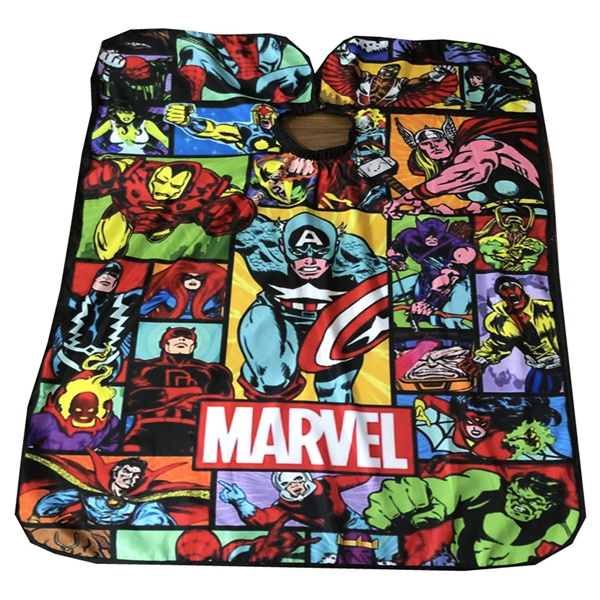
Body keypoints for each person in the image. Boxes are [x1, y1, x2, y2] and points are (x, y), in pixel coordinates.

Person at [235, 212, 388, 402]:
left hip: (332, 321)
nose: (309, 260)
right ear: (282, 245)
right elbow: (225, 219)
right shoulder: (261, 244)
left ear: (336, 246)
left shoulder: (355, 258)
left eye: (320, 252)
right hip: (277, 314)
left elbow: (391, 285)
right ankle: (264, 373)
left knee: (336, 393)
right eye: (299, 252)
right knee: (272, 381)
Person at [365, 469, 579, 568]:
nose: (520, 503)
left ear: (547, 506)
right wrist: (416, 496)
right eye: (516, 495)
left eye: (533, 502)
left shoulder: (563, 521)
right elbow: (449, 488)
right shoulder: (486, 486)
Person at [83, 156, 256, 260]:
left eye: (175, 186)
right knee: (106, 254)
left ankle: (158, 230)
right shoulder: (132, 171)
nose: (163, 191)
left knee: (158, 234)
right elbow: (110, 170)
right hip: (126, 214)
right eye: (160, 181)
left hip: (168, 220)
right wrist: (103, 176)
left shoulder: (206, 185)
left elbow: (233, 195)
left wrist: (239, 206)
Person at [386, 116, 542, 216]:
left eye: (438, 140)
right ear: (421, 151)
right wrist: (453, 212)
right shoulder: (448, 175)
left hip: (538, 204)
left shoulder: (477, 144)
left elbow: (471, 174)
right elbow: (480, 205)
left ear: (448, 140)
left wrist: (408, 197)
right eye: (426, 144)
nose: (434, 146)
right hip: (515, 219)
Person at [124, 327, 234, 453]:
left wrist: (166, 395)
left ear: (193, 346)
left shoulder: (210, 371)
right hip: (146, 429)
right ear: (164, 343)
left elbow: (219, 404)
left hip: (192, 432)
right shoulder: (142, 368)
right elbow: (139, 400)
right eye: (175, 337)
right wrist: (194, 392)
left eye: (187, 338)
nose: (181, 339)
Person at [459, 275, 562, 394]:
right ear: (501, 295)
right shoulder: (500, 321)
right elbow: (498, 344)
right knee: (534, 399)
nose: (510, 291)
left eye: (513, 287)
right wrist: (479, 361)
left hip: (566, 363)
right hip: (542, 369)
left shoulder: (549, 308)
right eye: (504, 289)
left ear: (521, 289)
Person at [51, 261, 142, 380]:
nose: (107, 277)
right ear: (95, 279)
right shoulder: (74, 302)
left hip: (106, 364)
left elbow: (145, 293)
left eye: (113, 275)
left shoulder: (122, 303)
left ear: (115, 284)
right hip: (67, 360)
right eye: (104, 274)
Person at [29, 455, 179, 526]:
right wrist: (37, 514)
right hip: (86, 534)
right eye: (126, 472)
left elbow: (152, 517)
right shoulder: (90, 491)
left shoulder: (143, 500)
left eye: (135, 475)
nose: (129, 478)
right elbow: (60, 499)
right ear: (115, 472)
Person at [387, 217, 475, 328]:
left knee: (450, 322)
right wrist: (396, 259)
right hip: (425, 277)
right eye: (427, 235)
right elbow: (396, 248)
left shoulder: (459, 249)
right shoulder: (409, 236)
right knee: (388, 293)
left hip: (458, 284)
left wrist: (429, 302)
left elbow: (447, 279)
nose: (432, 238)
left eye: (436, 235)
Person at [219, 471, 370, 531]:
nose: (294, 485)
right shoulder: (283, 506)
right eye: (287, 484)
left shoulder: (327, 483)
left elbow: (358, 477)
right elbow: (263, 520)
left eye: (297, 480)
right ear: (281, 488)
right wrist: (241, 503)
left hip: (351, 521)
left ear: (305, 479)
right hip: (324, 533)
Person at [165, 103, 280, 153]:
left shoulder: (285, 127)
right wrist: (187, 122)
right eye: (265, 121)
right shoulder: (247, 132)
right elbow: (213, 131)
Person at [140, 260, 226, 320]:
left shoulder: (213, 298)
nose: (193, 280)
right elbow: (142, 310)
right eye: (188, 277)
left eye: (199, 278)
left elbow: (216, 318)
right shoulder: (168, 294)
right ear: (180, 278)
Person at [91, 101, 169, 155]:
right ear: (116, 113)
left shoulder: (146, 124)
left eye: (129, 112)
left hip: (143, 160)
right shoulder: (111, 123)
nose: (125, 116)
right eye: (120, 112)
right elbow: (92, 136)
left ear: (135, 112)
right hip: (117, 160)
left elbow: (164, 139)